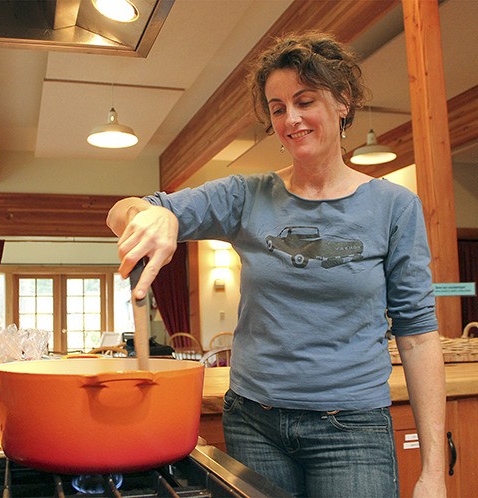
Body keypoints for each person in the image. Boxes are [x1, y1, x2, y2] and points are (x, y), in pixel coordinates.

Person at [107, 31, 446, 498]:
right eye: (278, 107)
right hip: (254, 423)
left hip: (352, 429)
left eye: (305, 101)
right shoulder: (245, 195)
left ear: (343, 101)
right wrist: (152, 214)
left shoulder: (395, 207)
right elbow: (121, 211)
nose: (291, 119)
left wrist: (432, 472)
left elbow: (419, 335)